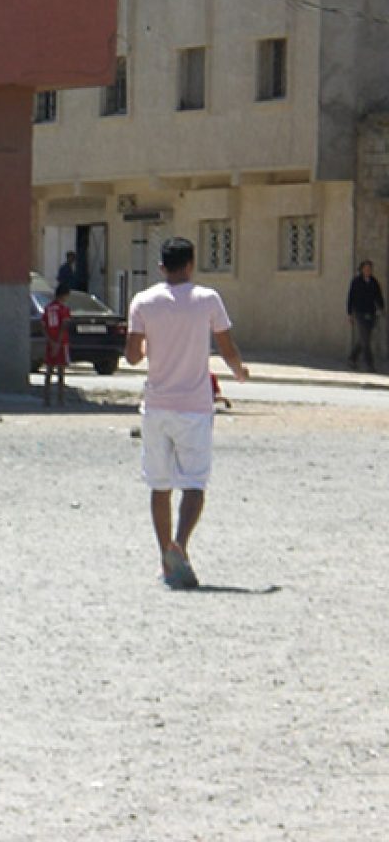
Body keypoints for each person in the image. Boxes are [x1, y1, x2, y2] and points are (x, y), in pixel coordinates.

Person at [125, 237, 249, 589]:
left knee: (159, 485)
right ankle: (181, 544)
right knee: (194, 483)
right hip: (194, 407)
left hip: (156, 406)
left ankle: (166, 555)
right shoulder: (208, 299)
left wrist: (151, 343)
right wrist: (240, 372)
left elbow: (132, 356)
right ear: (191, 264)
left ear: (161, 267)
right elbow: (227, 347)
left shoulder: (143, 302)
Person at [347, 260, 385, 372]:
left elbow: (379, 296)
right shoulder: (356, 282)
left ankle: (352, 358)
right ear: (362, 269)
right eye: (366, 268)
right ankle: (370, 365)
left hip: (371, 313)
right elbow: (350, 298)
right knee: (366, 340)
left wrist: (381, 308)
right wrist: (349, 313)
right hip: (359, 313)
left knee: (364, 338)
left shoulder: (374, 281)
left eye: (370, 269)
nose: (368, 270)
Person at [41, 283, 71, 406]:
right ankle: (61, 399)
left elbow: (43, 326)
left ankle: (46, 399)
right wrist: (58, 343)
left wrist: (50, 341)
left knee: (48, 370)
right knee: (60, 372)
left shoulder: (47, 308)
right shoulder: (64, 309)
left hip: (50, 342)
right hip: (61, 343)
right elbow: (64, 326)